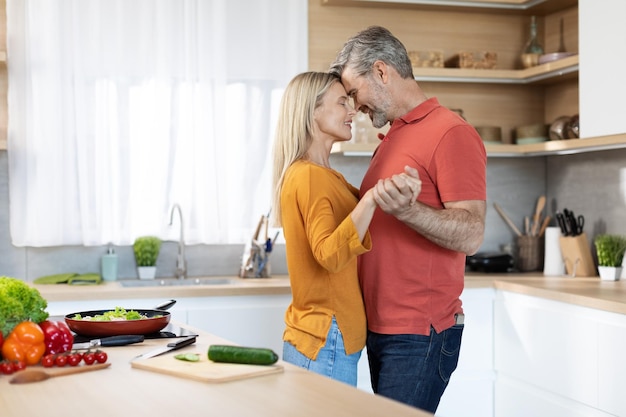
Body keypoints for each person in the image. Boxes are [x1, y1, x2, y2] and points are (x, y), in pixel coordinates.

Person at [329, 26, 487, 412]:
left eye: (354, 92)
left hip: (420, 333)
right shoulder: (394, 137)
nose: (354, 106)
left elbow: (471, 233)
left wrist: (408, 211)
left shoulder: (450, 132)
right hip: (384, 329)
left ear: (382, 72)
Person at [271, 71, 419, 386]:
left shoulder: (321, 175)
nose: (352, 111)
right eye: (341, 103)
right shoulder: (311, 176)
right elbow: (329, 254)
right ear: (311, 112)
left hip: (322, 338)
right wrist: (372, 200)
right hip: (327, 338)